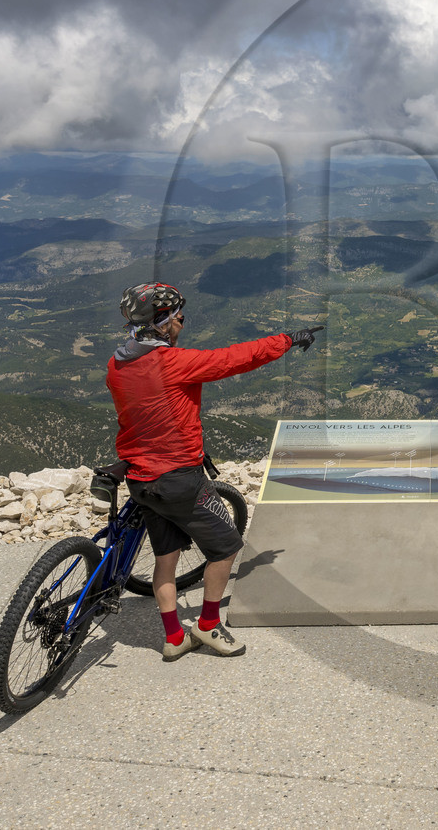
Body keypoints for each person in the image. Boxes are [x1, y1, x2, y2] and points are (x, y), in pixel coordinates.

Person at [106, 282, 321, 661]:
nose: (182, 322)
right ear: (162, 323)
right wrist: (288, 339)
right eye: (178, 317)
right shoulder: (172, 363)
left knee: (166, 560)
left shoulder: (117, 364)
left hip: (141, 478)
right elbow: (236, 357)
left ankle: (174, 637)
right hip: (178, 480)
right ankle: (206, 627)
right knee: (227, 548)